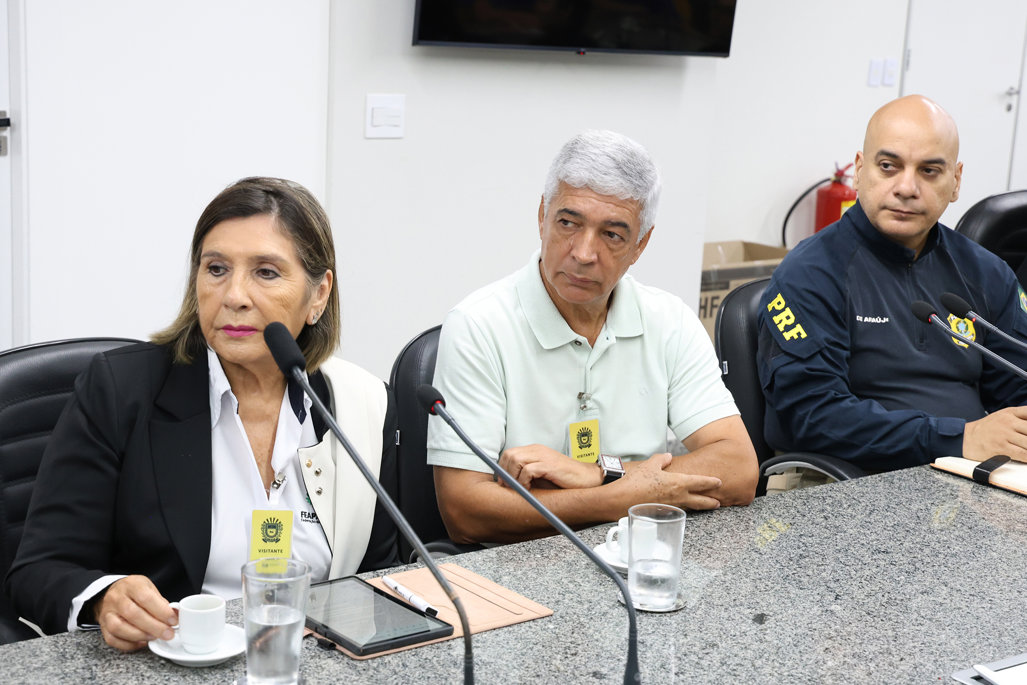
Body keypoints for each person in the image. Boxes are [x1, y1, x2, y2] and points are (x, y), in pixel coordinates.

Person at [5, 177, 399, 651]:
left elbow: (383, 576)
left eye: (266, 272)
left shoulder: (361, 405)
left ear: (318, 295)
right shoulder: (122, 391)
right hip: (171, 659)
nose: (234, 295)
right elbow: (39, 570)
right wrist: (104, 598)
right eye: (216, 269)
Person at [426, 130, 759, 545]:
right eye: (568, 223)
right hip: (518, 564)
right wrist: (623, 496)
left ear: (640, 244)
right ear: (542, 216)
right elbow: (464, 511)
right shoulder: (478, 325)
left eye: (612, 234)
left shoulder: (670, 320)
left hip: (640, 555)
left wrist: (599, 472)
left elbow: (739, 468)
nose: (584, 253)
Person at [757, 95, 1027, 472]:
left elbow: (1019, 388)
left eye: (929, 171)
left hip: (967, 473)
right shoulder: (811, 273)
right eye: (888, 166)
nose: (906, 187)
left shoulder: (986, 272)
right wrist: (959, 438)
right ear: (859, 170)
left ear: (956, 181)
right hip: (843, 481)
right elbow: (812, 416)